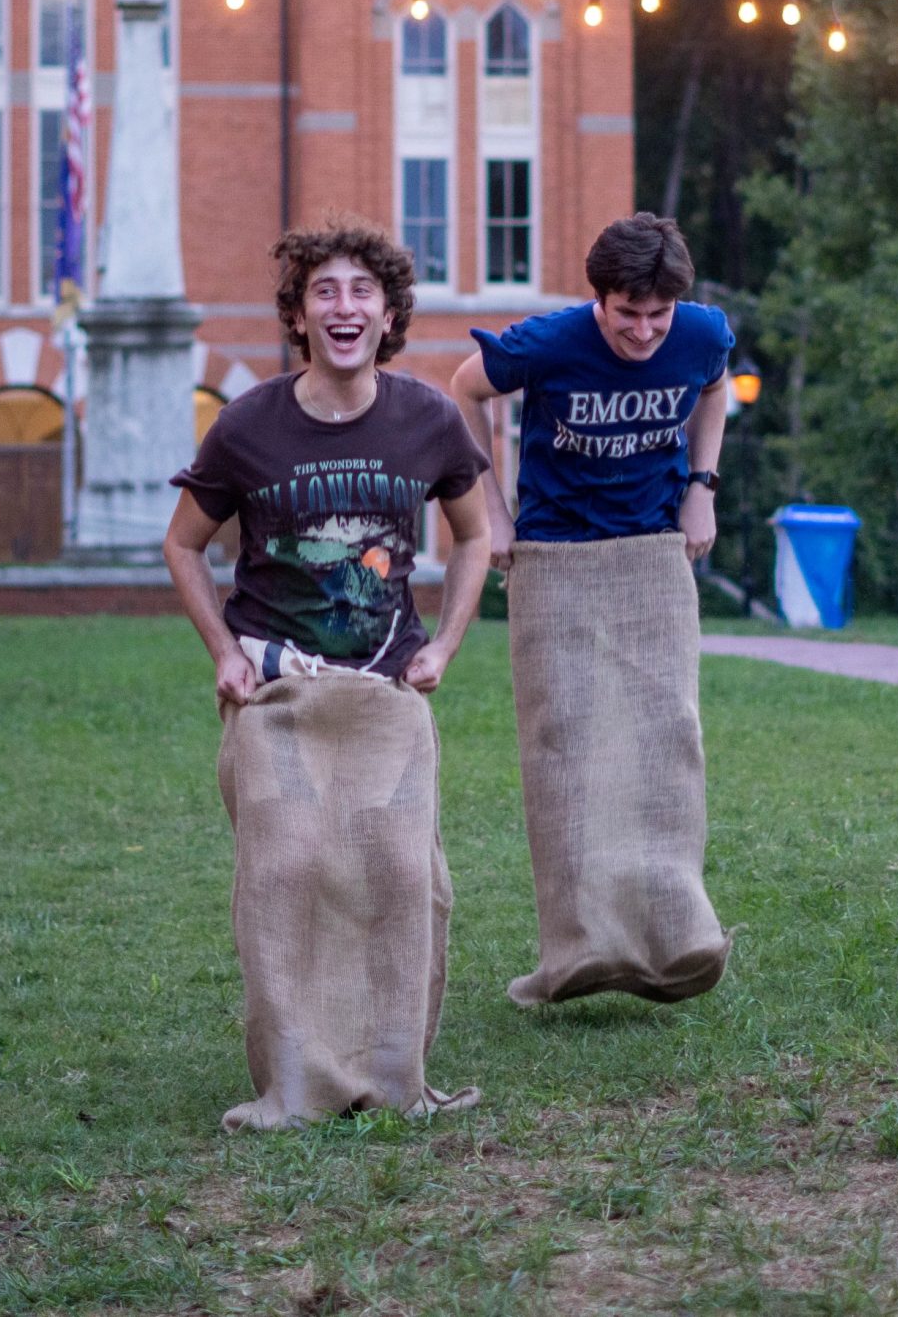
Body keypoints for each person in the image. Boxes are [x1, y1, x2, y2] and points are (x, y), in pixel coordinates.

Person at [162, 220, 492, 1129]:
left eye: (361, 293)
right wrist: (224, 656)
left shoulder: (427, 418)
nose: (343, 308)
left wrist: (446, 645)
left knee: (400, 872)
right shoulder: (248, 426)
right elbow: (184, 545)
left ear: (388, 315)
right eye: (324, 292)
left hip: (388, 690)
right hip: (279, 694)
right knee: (288, 869)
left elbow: (475, 534)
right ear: (299, 315)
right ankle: (298, 1081)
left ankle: (391, 1073)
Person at [452, 213, 733, 1007]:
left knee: (665, 735)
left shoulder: (701, 334)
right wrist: (493, 514)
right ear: (597, 300)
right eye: (625, 314)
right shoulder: (547, 343)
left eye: (657, 315)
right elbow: (463, 390)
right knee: (565, 745)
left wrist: (701, 489)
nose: (644, 331)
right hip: (556, 558)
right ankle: (578, 952)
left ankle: (677, 936)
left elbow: (714, 389)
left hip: (651, 554)